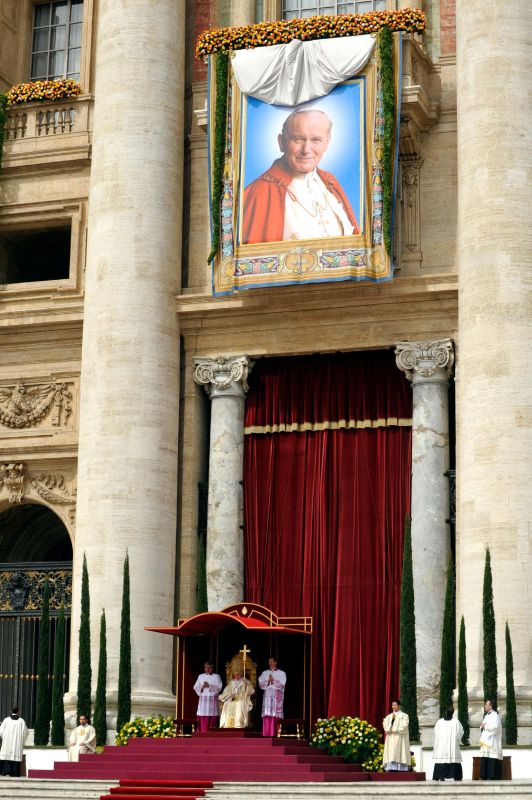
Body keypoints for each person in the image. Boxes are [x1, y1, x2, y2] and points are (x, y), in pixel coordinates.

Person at [242, 108, 359, 244]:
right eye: (298, 139)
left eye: (316, 140)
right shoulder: (259, 192)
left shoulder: (330, 182)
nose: (306, 150)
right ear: (281, 142)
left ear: (327, 143)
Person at [432, 705, 464, 781]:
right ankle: (456, 776)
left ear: (445, 712)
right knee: (453, 758)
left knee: (441, 759)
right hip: (452, 746)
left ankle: (440, 776)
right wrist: (457, 739)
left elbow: (435, 732)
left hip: (442, 745)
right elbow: (460, 732)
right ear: (453, 713)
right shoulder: (456, 722)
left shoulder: (440, 722)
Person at [258, 657, 287, 737]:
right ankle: (267, 733)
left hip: (277, 697)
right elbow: (260, 684)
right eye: (269, 662)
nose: (270, 663)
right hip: (267, 696)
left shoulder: (282, 673)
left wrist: (272, 681)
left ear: (275, 662)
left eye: (271, 662)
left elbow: (282, 685)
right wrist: (268, 681)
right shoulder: (265, 673)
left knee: (275, 713)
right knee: (267, 713)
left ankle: (276, 732)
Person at [193, 660, 222, 732]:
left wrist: (209, 686)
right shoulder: (201, 676)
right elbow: (195, 687)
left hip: (212, 700)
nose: (207, 669)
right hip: (203, 700)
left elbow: (219, 687)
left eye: (209, 668)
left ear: (212, 668)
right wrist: (202, 687)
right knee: (202, 716)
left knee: (212, 717)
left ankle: (211, 734)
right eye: (206, 667)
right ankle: (202, 733)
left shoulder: (216, 676)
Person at [383, 699, 410, 772]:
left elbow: (404, 726)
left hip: (399, 737)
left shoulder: (404, 715)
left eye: (394, 705)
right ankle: (392, 768)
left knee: (399, 753)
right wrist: (389, 727)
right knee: (391, 753)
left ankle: (400, 768)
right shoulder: (389, 716)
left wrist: (394, 729)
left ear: (399, 706)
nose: (393, 707)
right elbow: (385, 726)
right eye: (392, 705)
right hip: (391, 738)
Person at [0, 707, 28, 777]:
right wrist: (21, 741)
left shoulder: (6, 720)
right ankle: (14, 773)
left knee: (5, 757)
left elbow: (1, 731)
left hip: (7, 745)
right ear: (18, 711)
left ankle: (4, 771)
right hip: (16, 746)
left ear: (11, 711)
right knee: (15, 758)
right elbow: (25, 733)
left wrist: (5, 738)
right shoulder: (21, 721)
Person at [479, 699, 503, 779]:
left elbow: (495, 727)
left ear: (491, 706)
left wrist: (485, 726)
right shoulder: (487, 716)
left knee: (491, 758)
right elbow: (483, 725)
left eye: (487, 704)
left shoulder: (495, 716)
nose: (485, 706)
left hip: (492, 741)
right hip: (486, 741)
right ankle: (484, 775)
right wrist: (482, 726)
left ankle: (491, 775)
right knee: (485, 757)